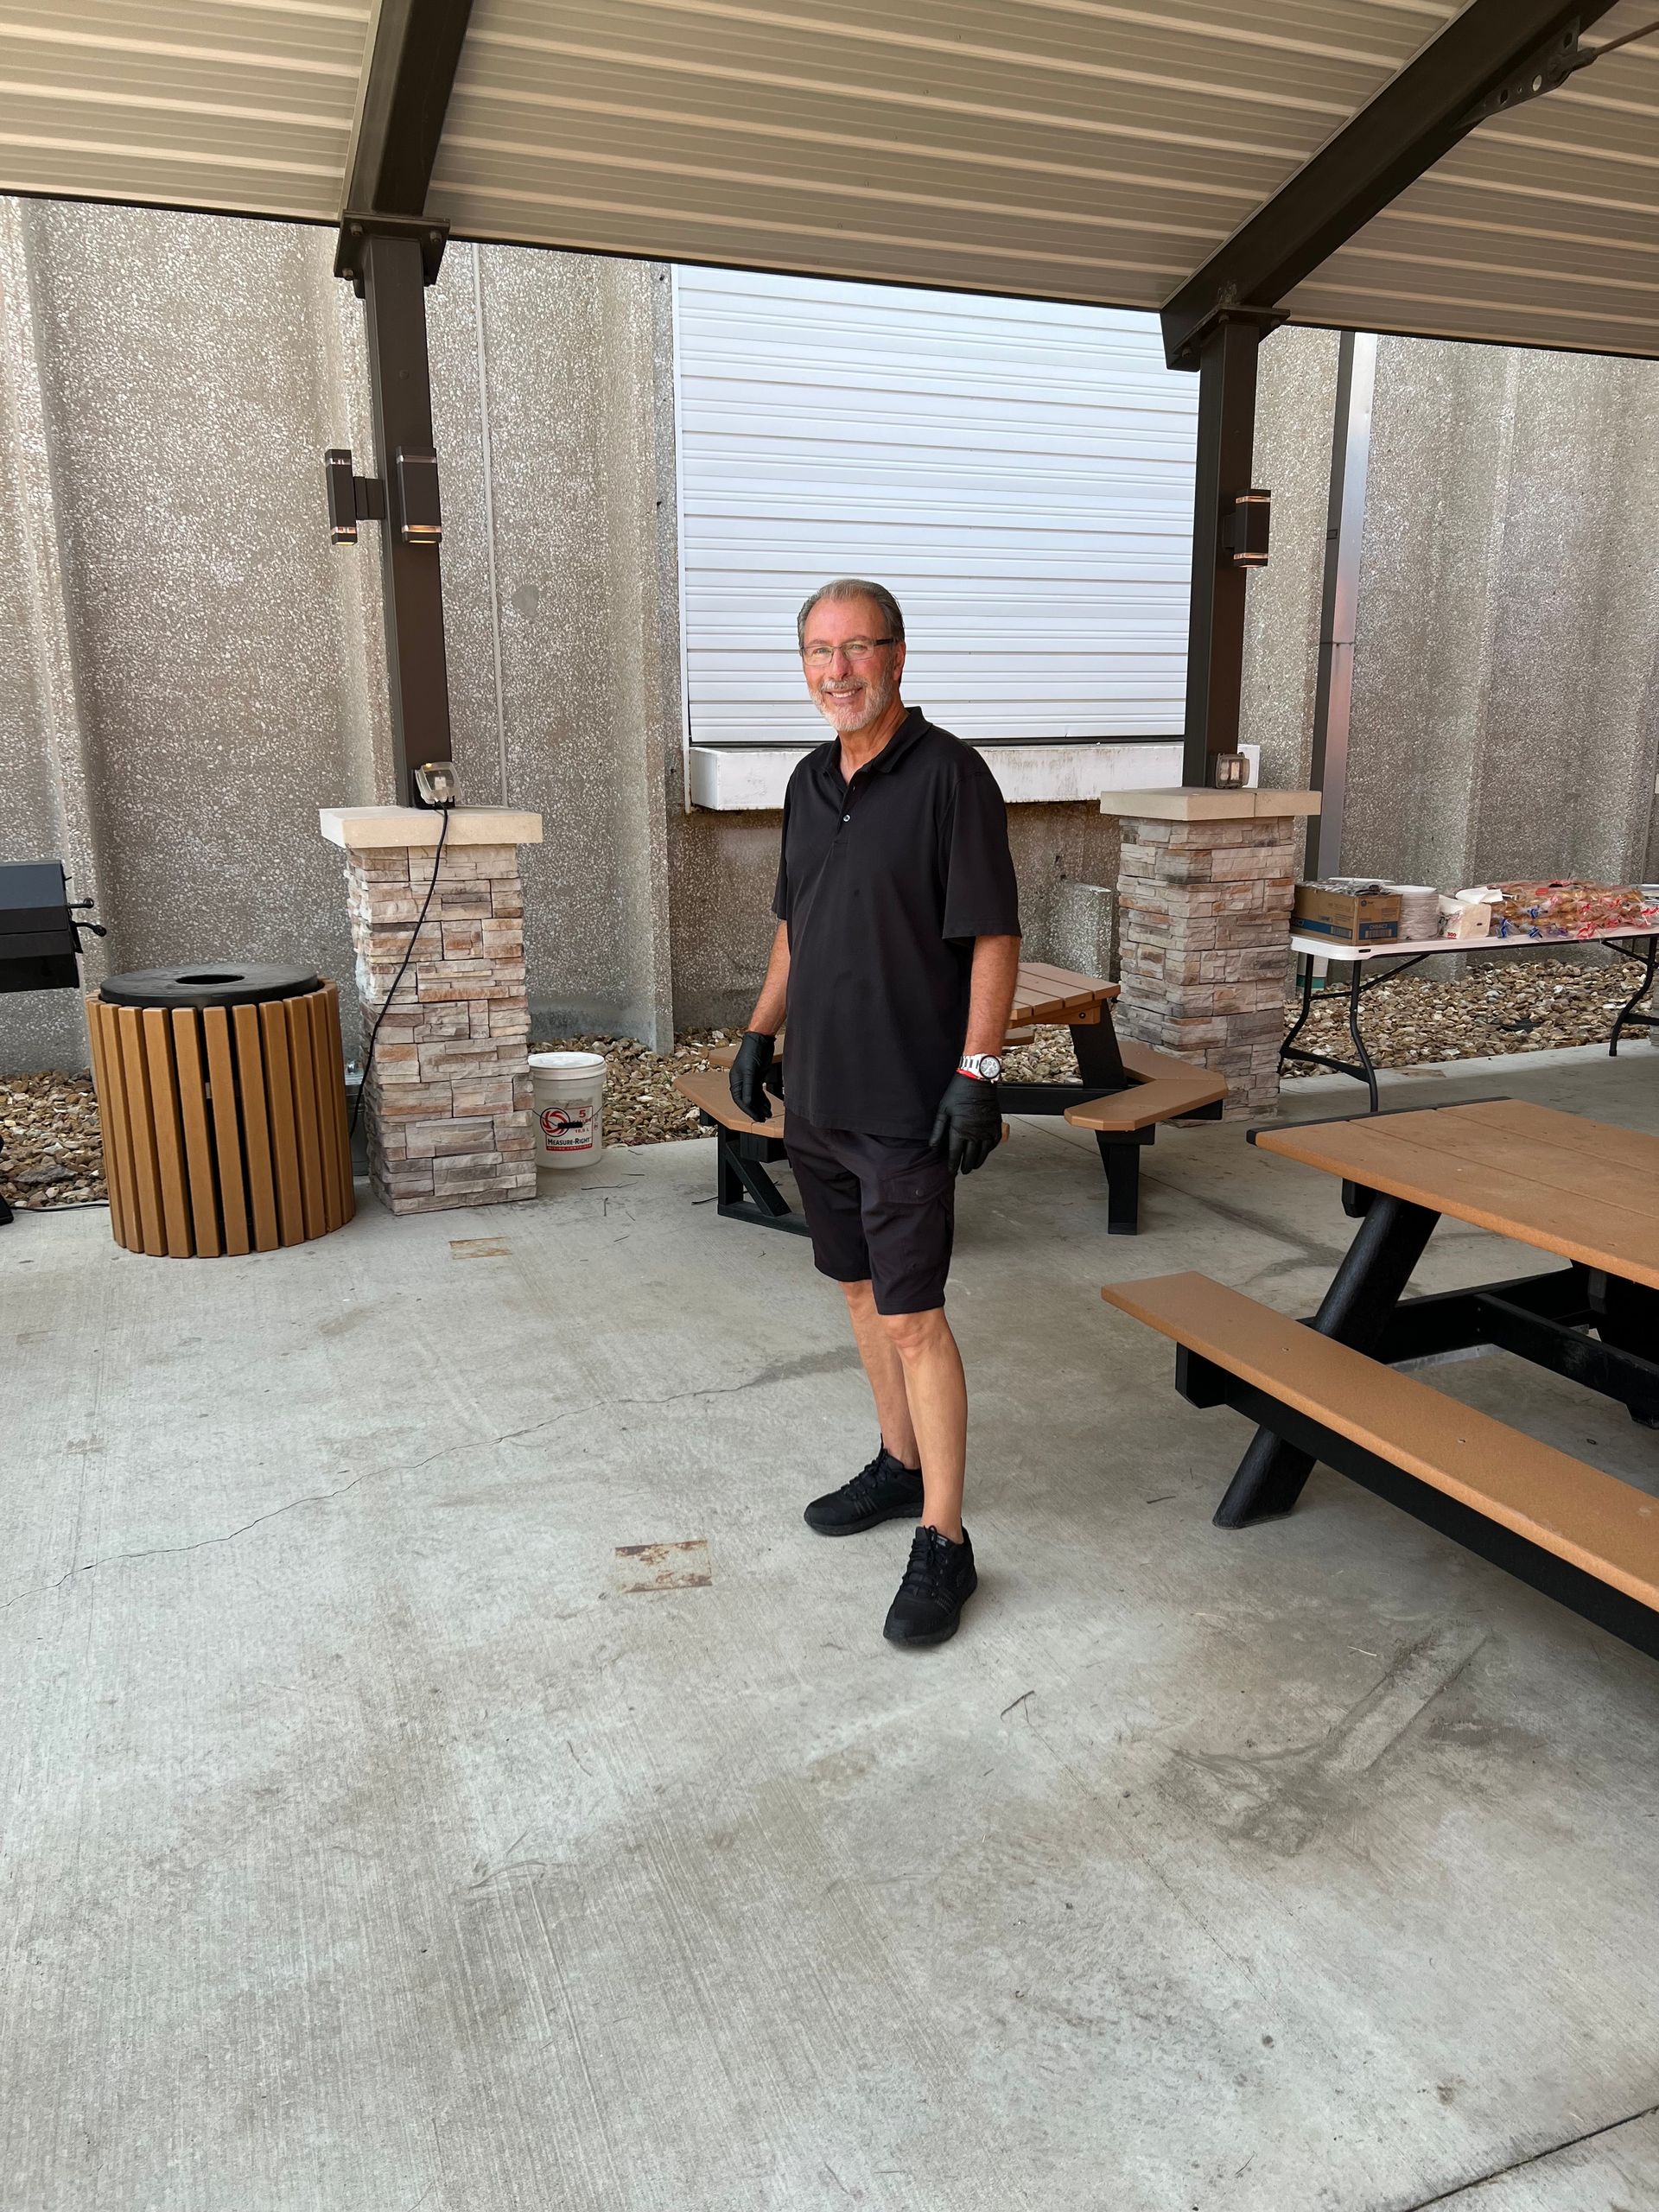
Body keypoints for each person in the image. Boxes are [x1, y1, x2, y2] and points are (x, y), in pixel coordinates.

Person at [729, 580, 1021, 1648]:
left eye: (858, 648)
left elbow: (992, 936)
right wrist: (760, 1030)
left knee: (912, 1317)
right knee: (857, 1295)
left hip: (906, 1098)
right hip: (823, 1096)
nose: (837, 669)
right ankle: (900, 1467)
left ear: (899, 656)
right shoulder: (811, 781)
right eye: (819, 650)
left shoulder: (952, 777)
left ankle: (945, 1539)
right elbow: (797, 927)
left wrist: (977, 1073)